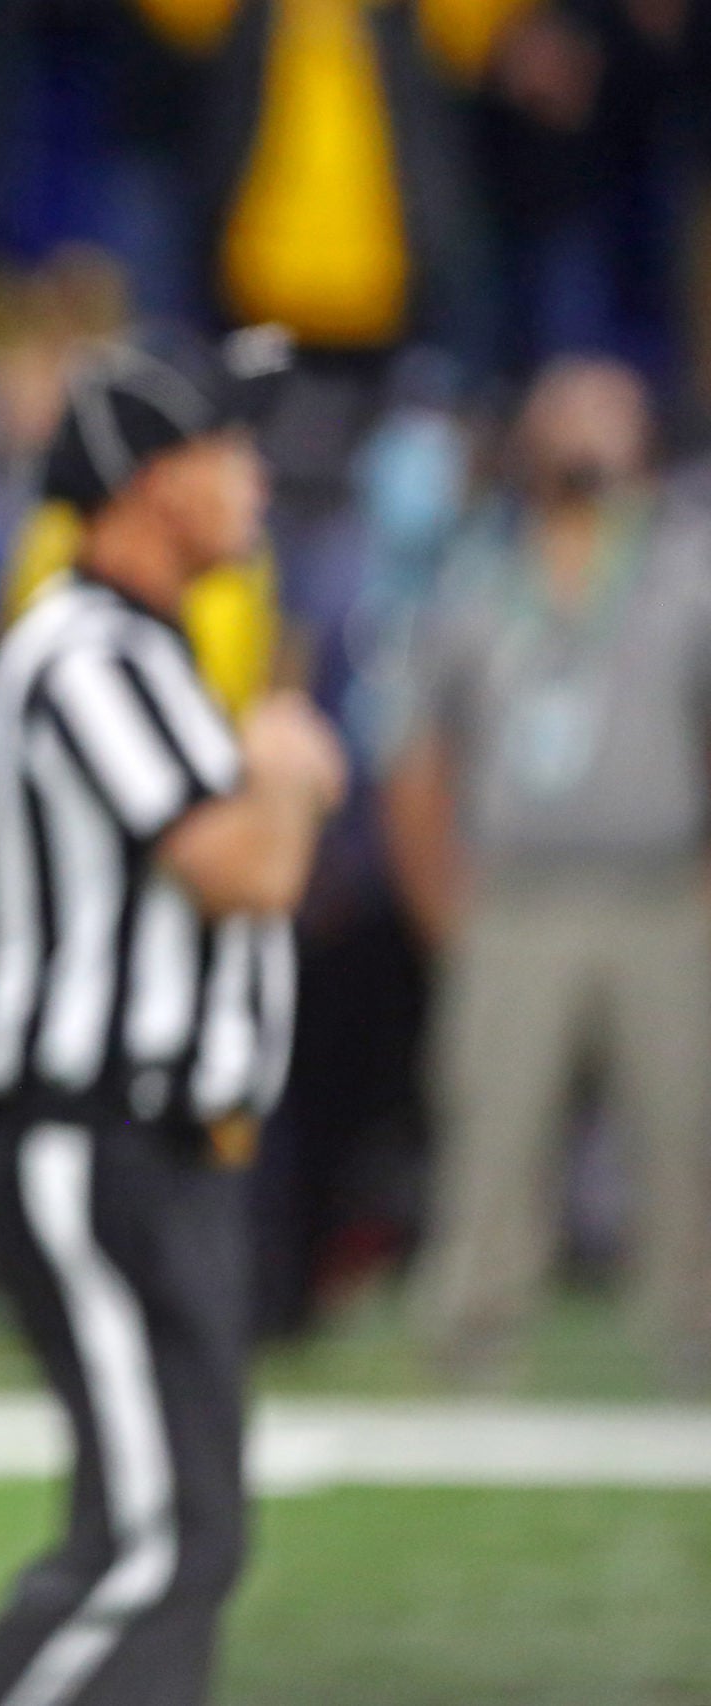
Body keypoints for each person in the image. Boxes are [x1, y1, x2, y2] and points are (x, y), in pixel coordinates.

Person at [0, 326, 346, 1706]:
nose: (256, 480)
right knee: (160, 1542)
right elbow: (239, 867)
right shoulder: (81, 648)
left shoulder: (146, 650)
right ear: (152, 478)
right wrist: (285, 767)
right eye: (229, 450)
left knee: (180, 1535)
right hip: (87, 1135)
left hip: (153, 1144)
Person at [387, 356, 711, 1384]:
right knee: (494, 1123)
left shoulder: (687, 568)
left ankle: (695, 1329)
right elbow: (419, 753)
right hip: (515, 896)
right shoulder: (476, 574)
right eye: (565, 417)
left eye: (606, 417)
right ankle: (475, 1328)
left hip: (661, 893)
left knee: (685, 1124)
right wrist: (444, 903)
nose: (584, 442)